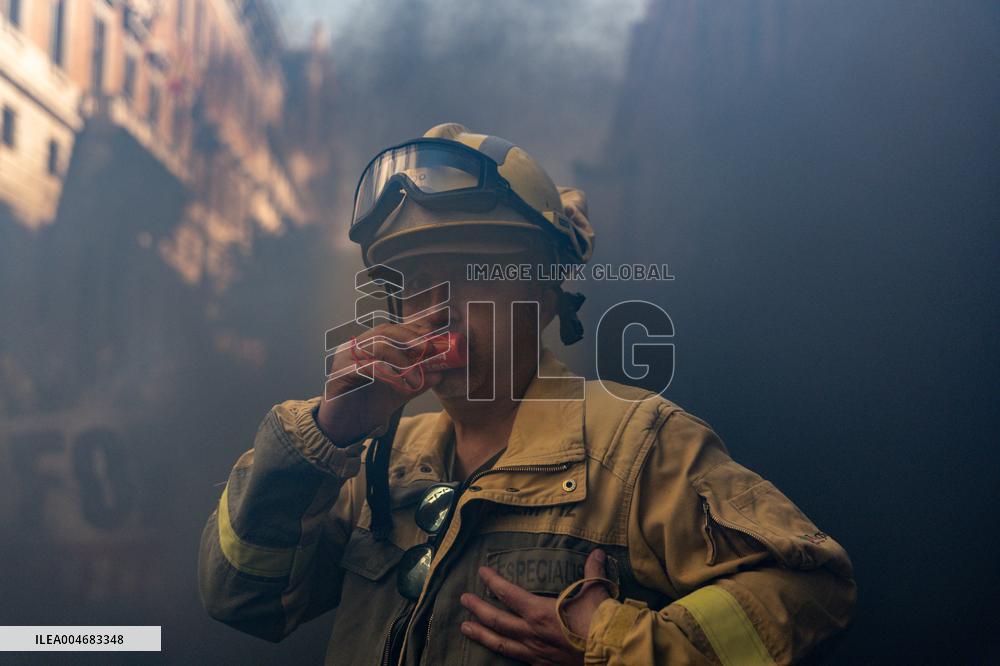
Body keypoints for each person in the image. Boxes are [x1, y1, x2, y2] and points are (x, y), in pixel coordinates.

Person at [198, 123, 856, 665]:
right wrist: (326, 433)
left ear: (543, 296)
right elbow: (244, 600)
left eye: (469, 273)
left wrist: (612, 643)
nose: (435, 307)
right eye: (416, 281)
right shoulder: (379, 456)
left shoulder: (634, 443)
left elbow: (812, 586)